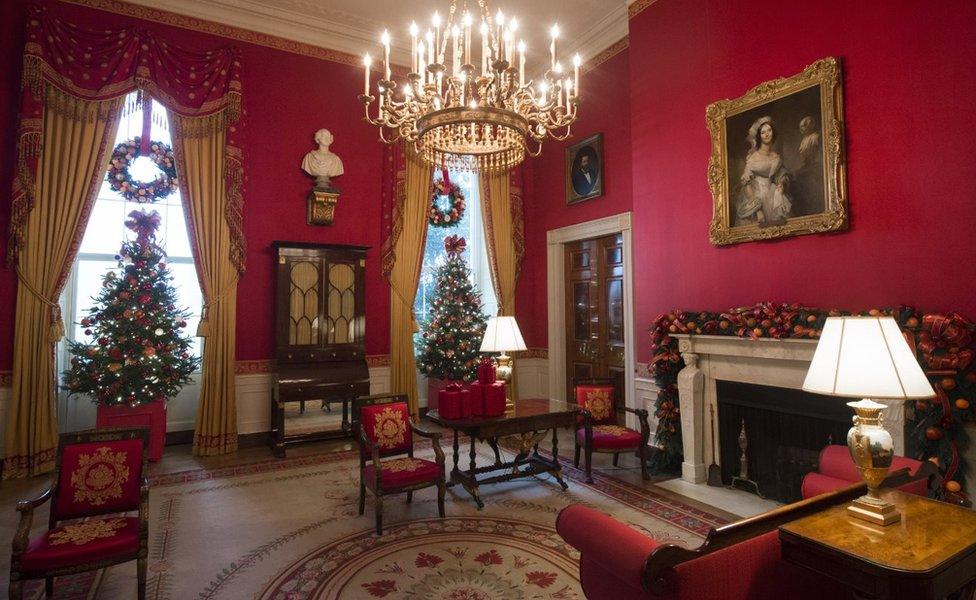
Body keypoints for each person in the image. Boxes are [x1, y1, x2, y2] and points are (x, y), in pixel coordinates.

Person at [735, 116, 792, 226]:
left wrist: (781, 184)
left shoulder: (776, 157)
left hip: (773, 195)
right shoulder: (753, 157)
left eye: (769, 130)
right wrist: (758, 210)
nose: (767, 134)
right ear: (759, 136)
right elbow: (746, 184)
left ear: (773, 132)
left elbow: (782, 174)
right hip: (756, 197)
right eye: (763, 132)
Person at [794, 115, 824, 215]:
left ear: (810, 126)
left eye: (803, 126)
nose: (801, 128)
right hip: (806, 165)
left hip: (813, 165)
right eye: (800, 126)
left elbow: (820, 152)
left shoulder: (815, 137)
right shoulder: (804, 139)